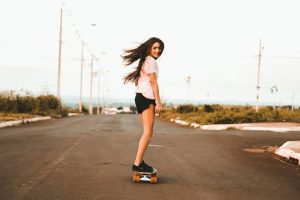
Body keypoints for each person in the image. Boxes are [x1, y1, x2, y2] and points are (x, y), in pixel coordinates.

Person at [122, 37, 164, 173]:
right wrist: (158, 101)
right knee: (148, 132)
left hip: (139, 97)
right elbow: (153, 83)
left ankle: (139, 161)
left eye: (159, 48)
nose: (158, 50)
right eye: (155, 48)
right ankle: (137, 163)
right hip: (146, 98)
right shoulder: (150, 61)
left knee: (147, 132)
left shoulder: (145, 60)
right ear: (149, 48)